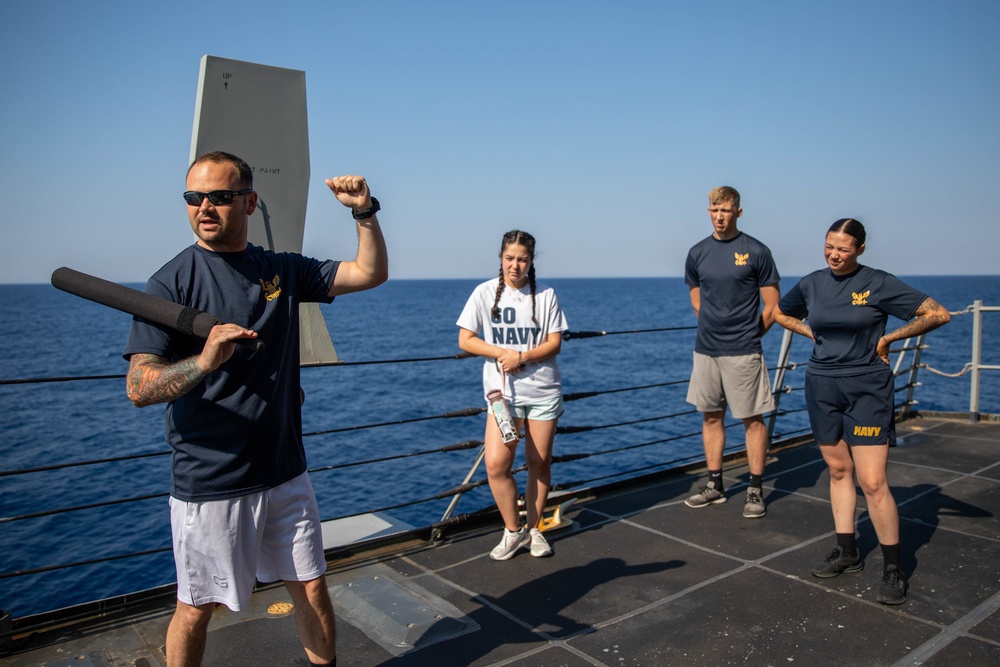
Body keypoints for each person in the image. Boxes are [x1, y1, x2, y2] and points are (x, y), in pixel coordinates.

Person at [123, 151, 388, 666]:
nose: (205, 207)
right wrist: (203, 361)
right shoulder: (169, 284)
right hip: (212, 481)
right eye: (193, 198)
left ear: (248, 201)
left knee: (311, 589)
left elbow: (369, 273)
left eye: (220, 197)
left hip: (286, 470)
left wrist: (364, 213)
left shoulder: (280, 270)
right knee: (197, 608)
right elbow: (139, 385)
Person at [773, 218, 949, 605]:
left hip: (867, 387)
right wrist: (809, 333)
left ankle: (893, 568)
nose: (834, 255)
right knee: (838, 471)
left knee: (872, 482)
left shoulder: (879, 282)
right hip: (821, 385)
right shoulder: (811, 283)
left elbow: (937, 314)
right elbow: (780, 314)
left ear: (860, 251)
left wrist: (889, 338)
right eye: (829, 246)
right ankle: (848, 552)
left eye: (844, 249)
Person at [457, 230, 569, 560]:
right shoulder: (484, 293)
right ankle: (512, 530)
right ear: (501, 258)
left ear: (531, 261)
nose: (515, 265)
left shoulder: (546, 295)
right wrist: (502, 352)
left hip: (543, 392)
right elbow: (466, 339)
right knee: (496, 464)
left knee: (538, 462)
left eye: (522, 259)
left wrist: (521, 357)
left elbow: (554, 342)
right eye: (509, 258)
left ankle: (534, 529)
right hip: (502, 396)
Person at [683, 186, 781, 518]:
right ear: (708, 211)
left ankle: (754, 488)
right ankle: (715, 485)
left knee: (752, 419)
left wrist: (752, 334)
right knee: (711, 416)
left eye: (726, 210)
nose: (719, 216)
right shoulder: (697, 252)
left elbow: (772, 306)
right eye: (714, 210)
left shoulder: (756, 251)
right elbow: (696, 292)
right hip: (706, 349)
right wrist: (706, 319)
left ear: (738, 212)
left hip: (743, 350)